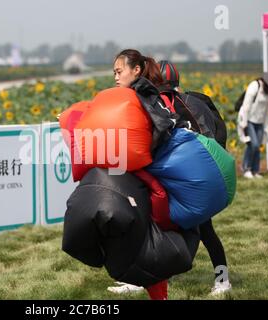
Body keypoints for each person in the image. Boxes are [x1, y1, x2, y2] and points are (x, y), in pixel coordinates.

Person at [157, 60, 232, 296]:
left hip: (191, 179)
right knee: (183, 229)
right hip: (199, 175)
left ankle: (223, 280)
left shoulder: (174, 105)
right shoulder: (194, 101)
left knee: (203, 230)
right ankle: (148, 278)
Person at [108, 49, 177, 300]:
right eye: (114, 72)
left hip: (147, 174)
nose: (115, 77)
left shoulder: (142, 94)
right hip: (141, 172)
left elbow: (156, 130)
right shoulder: (136, 93)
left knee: (143, 230)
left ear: (135, 70)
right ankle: (138, 279)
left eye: (119, 71)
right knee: (136, 229)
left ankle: (144, 282)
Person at [237, 71, 268, 179]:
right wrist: (243, 124)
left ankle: (255, 171)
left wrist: (267, 127)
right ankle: (246, 168)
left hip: (260, 122)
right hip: (249, 120)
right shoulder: (255, 86)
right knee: (254, 144)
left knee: (258, 147)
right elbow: (246, 105)